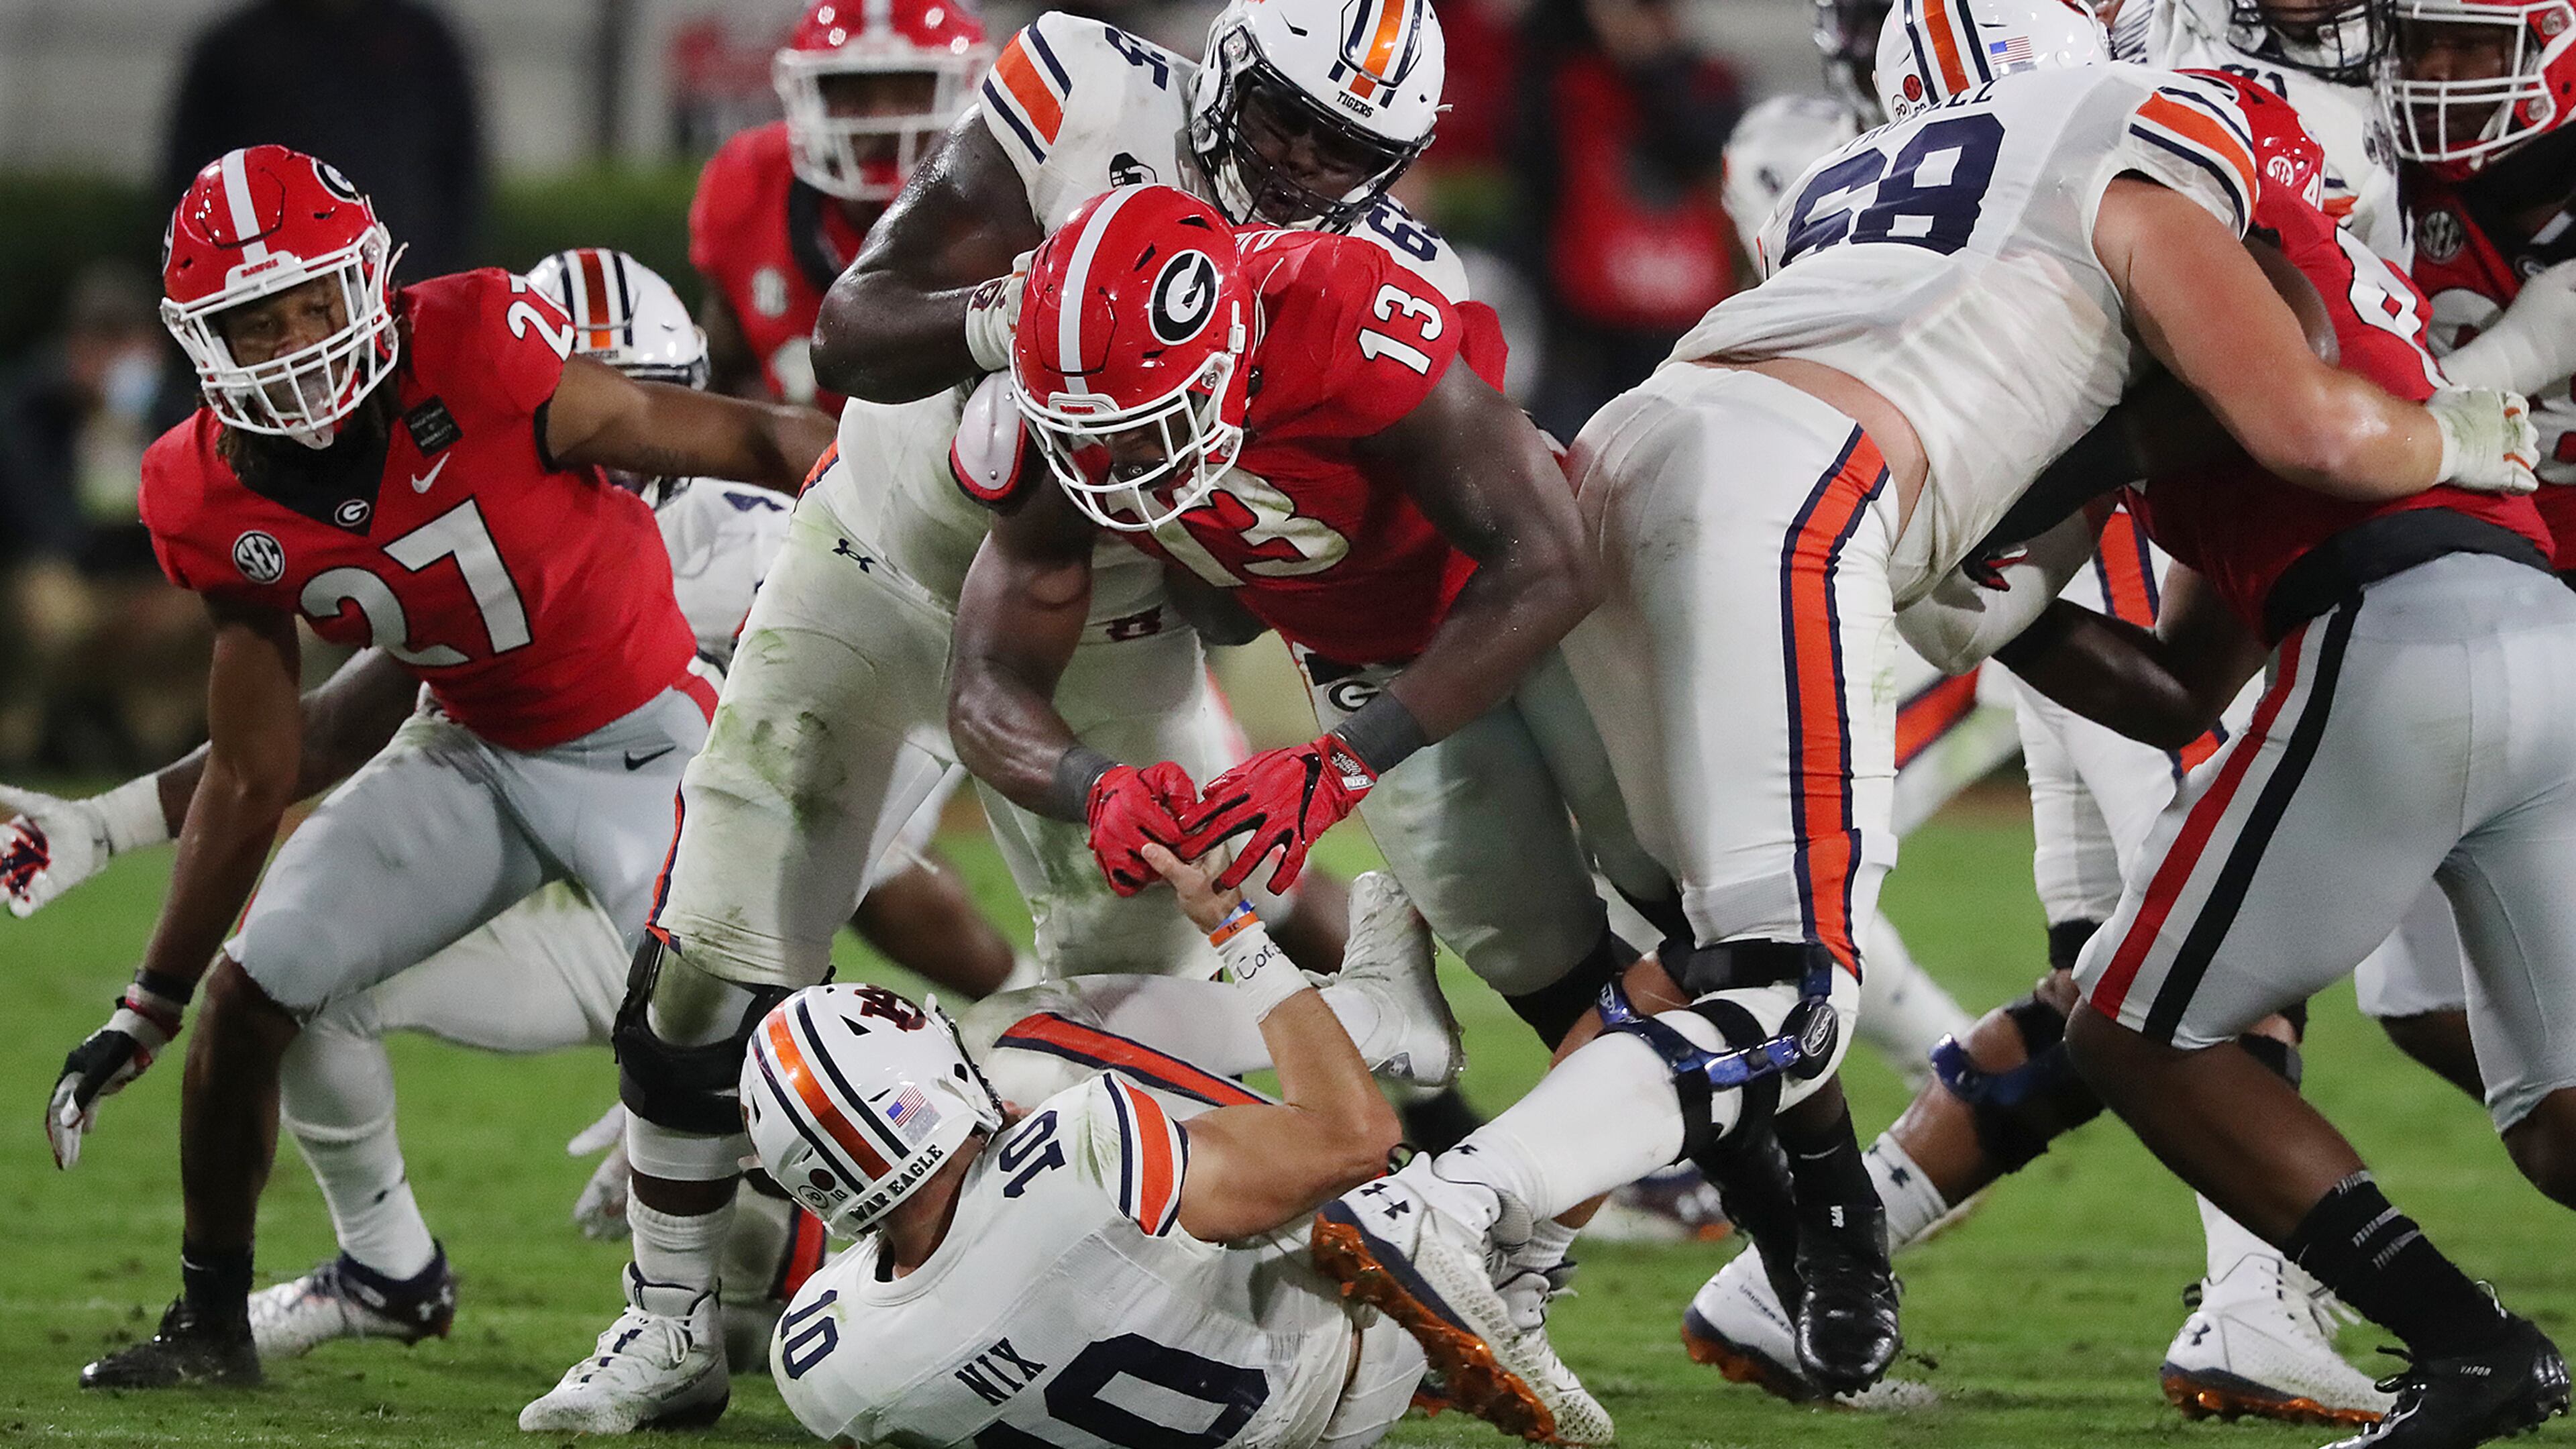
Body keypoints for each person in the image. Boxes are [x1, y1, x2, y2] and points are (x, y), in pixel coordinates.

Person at [1305, 0, 2542, 1411]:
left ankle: (1769, 1257)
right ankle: (1457, 1208)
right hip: (1800, 488)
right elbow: (2300, 409)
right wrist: (2456, 426)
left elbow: (2004, 515)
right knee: (1791, 989)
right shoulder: (2157, 127)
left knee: (1709, 955)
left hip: (1631, 452)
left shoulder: (1860, 178)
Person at [523, 0, 1457, 1429]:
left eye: (1350, 150)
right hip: (876, 550)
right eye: (1284, 120)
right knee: (709, 953)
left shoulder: (1376, 283)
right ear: (1227, 70)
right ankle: (668, 1324)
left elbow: (1280, 573)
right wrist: (1005, 315)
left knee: (1146, 1007)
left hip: (1110, 616)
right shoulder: (1085, 91)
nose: (1304, 166)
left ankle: (1217, 1297)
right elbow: (853, 332)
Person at [52, 148, 833, 1391]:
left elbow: (729, 431)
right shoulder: (197, 490)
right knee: (253, 997)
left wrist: (888, 495)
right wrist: (146, 1000)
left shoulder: (475, 342)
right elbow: (258, 770)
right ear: (206, 342)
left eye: (317, 301)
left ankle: (851, 1273)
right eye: (262, 321)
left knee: (749, 1039)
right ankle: (223, 1323)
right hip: (469, 748)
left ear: (370, 280)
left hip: (646, 743)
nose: (302, 342)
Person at [759, 866, 1611, 1449]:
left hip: (1243, 1413)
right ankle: (1384, 1038)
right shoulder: (1074, 1154)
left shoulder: (816, 1359)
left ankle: (1513, 1269)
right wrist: (1236, 931)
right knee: (1015, 1038)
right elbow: (1358, 1142)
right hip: (1350, 1348)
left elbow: (927, 1257)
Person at [0, 263, 207, 771]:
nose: (113, 360)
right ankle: (30, 735)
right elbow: (36, 525)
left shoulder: (178, 414)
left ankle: (159, 733)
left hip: (152, 590)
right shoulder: (32, 413)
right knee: (49, 605)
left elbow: (201, 519)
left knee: (233, 605)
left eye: (126, 342)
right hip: (75, 588)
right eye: (100, 341)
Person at [160, 0, 483, 279]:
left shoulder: (424, 41)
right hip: (271, 292)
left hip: (405, 277)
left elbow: (460, 170)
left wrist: (439, 264)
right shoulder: (235, 49)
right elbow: (191, 190)